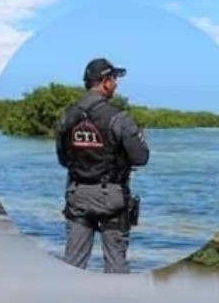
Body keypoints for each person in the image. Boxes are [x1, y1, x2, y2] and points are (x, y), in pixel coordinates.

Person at [55, 58, 149, 273]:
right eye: (114, 79)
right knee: (116, 262)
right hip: (112, 198)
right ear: (105, 81)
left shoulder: (67, 116)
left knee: (73, 261)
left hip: (77, 194)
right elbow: (141, 158)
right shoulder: (119, 118)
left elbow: (63, 160)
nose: (116, 84)